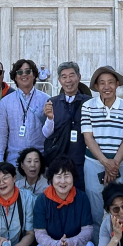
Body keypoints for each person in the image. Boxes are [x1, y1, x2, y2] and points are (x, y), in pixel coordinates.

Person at [30, 156, 96, 246]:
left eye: (67, 176)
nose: (63, 181)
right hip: (52, 244)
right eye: (58, 176)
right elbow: (39, 233)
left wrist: (70, 243)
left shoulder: (82, 198)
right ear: (51, 179)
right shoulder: (42, 200)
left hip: (74, 244)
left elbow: (87, 230)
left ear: (73, 178)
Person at [81, 65, 123, 224]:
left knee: (121, 209)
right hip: (94, 163)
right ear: (97, 86)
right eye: (102, 83)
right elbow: (88, 137)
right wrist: (106, 163)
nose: (107, 87)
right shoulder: (87, 106)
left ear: (117, 84)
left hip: (121, 164)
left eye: (111, 82)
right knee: (97, 210)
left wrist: (114, 165)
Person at [40, 61, 91, 190]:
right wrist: (50, 118)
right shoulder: (52, 102)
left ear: (79, 77)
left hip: (81, 161)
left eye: (71, 75)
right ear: (59, 80)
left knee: (80, 197)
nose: (68, 80)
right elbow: (46, 134)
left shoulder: (89, 102)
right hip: (59, 162)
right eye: (64, 76)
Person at [0, 58, 49, 166]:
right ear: (15, 77)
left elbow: (50, 131)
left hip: (40, 161)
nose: (24, 75)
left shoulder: (46, 99)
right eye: (19, 72)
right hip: (14, 161)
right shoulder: (5, 102)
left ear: (34, 75)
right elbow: (1, 135)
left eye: (28, 71)